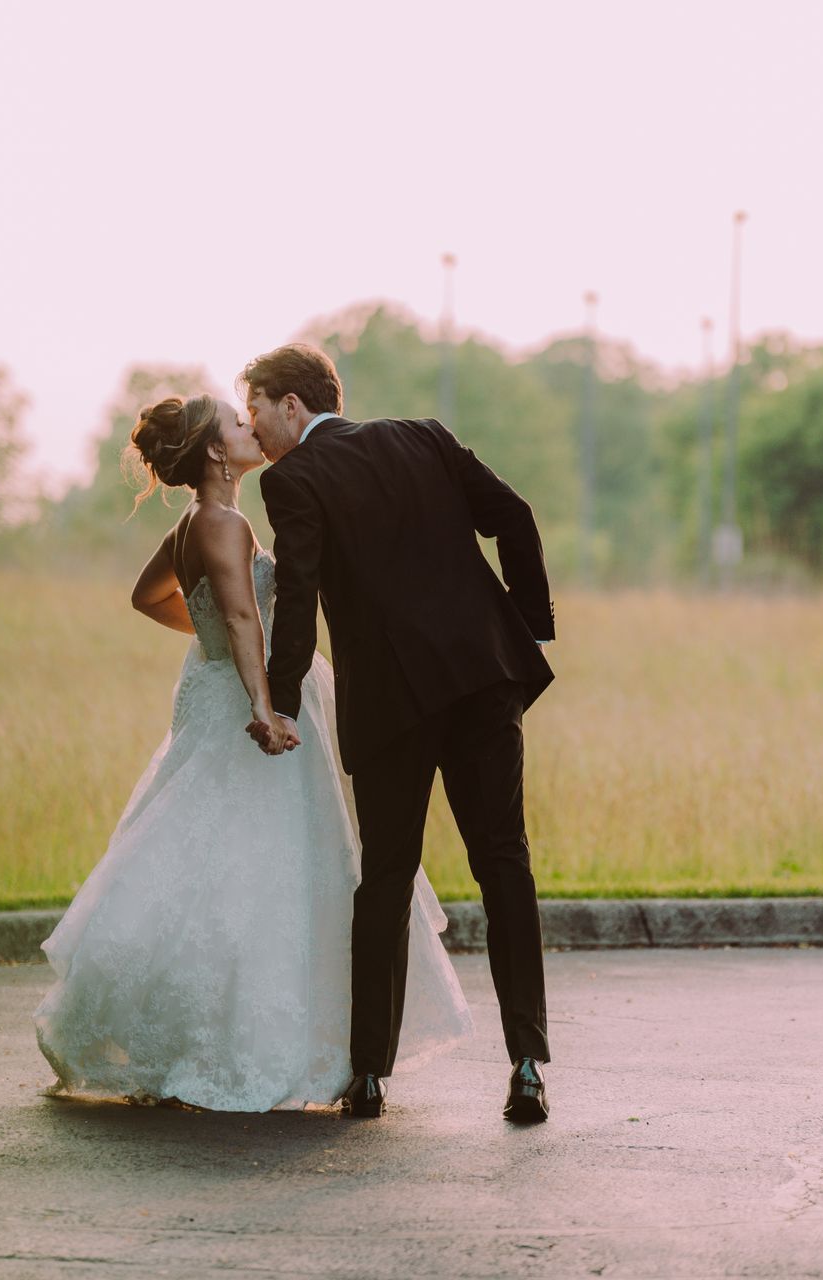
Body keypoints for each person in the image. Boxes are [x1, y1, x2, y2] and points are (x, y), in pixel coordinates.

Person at [33, 392, 470, 1112]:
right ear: (213, 451)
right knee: (268, 862)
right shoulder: (227, 522)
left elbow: (149, 597)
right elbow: (240, 614)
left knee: (207, 856)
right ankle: (254, 1042)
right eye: (237, 424)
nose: (251, 428)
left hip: (207, 690)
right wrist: (264, 705)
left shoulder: (190, 525)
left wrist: (205, 637)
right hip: (247, 701)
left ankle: (192, 1025)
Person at [243, 344, 557, 1123]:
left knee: (385, 877)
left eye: (254, 406)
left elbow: (301, 593)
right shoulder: (424, 435)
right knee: (504, 863)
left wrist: (281, 700)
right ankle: (526, 1065)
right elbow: (514, 517)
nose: (251, 425)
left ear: (292, 404)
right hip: (484, 681)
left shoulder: (293, 479)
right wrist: (525, 627)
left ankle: (370, 1077)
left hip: (391, 702)